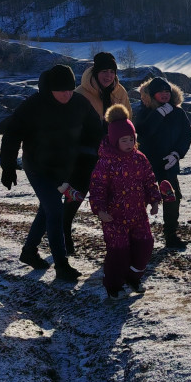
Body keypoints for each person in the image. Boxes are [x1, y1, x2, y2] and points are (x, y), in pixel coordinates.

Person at [0, 64, 101, 281]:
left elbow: (97, 129)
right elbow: (11, 136)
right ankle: (62, 265)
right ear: (50, 90)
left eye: (70, 89)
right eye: (61, 90)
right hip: (38, 168)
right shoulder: (32, 106)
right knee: (55, 210)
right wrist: (8, 166)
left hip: (65, 167)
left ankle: (29, 252)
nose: (66, 94)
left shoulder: (79, 103)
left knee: (47, 210)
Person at [89, 105, 174, 299]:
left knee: (145, 245)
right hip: (114, 217)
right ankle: (114, 285)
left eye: (131, 139)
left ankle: (133, 278)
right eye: (124, 140)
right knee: (119, 252)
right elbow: (97, 188)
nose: (128, 143)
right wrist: (99, 209)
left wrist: (153, 200)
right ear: (114, 140)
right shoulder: (106, 162)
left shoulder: (139, 158)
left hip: (138, 214)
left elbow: (149, 180)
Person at [63, 51, 133, 256]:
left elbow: (128, 123)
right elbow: (69, 127)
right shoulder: (80, 94)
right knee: (75, 197)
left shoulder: (120, 93)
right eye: (104, 71)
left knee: (114, 201)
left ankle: (117, 243)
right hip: (84, 157)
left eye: (112, 71)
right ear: (95, 72)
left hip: (111, 157)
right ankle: (63, 233)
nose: (108, 75)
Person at [134, 76, 191, 250]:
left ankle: (171, 235)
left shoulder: (178, 113)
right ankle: (136, 236)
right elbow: (142, 133)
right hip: (147, 164)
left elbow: (186, 135)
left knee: (173, 198)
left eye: (167, 91)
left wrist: (177, 154)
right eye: (160, 92)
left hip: (169, 164)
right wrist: (158, 114)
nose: (165, 94)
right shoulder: (144, 111)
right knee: (140, 200)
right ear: (153, 94)